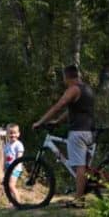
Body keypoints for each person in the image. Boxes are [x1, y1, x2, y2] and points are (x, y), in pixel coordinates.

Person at [33, 64, 95, 207]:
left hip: (78, 132)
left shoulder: (73, 89)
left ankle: (79, 201)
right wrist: (58, 121)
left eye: (64, 78)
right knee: (84, 167)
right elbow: (73, 111)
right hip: (90, 131)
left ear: (67, 77)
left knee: (79, 166)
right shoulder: (87, 89)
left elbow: (58, 106)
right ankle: (85, 190)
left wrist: (40, 122)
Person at [3, 123, 24, 193]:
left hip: (15, 168)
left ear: (18, 134)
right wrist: (3, 166)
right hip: (8, 167)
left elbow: (19, 158)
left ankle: (18, 202)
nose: (12, 135)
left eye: (14, 133)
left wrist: (14, 167)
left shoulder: (18, 145)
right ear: (7, 134)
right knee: (8, 186)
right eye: (10, 133)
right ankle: (12, 202)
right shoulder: (6, 145)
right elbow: (5, 157)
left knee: (11, 185)